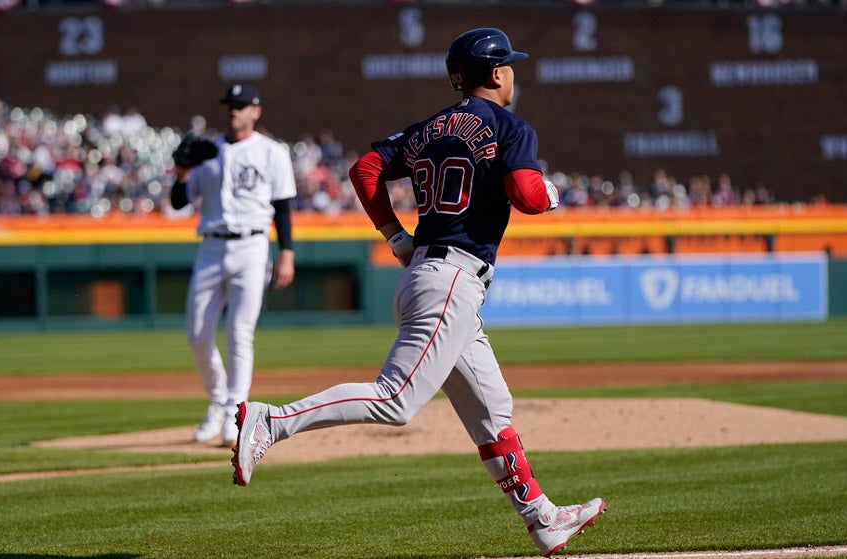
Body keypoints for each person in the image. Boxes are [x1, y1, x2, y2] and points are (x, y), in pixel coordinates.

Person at [230, 28, 605, 557]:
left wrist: (394, 234)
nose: (514, 73)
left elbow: (366, 169)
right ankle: (273, 420)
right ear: (497, 74)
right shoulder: (510, 126)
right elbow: (526, 195)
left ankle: (542, 519)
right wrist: (550, 193)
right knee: (396, 401)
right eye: (511, 66)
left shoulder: (430, 127)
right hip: (452, 282)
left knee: (494, 410)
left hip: (431, 277)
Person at [170, 82, 297, 447]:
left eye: (241, 105)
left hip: (253, 246)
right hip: (211, 246)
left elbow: (283, 207)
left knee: (240, 333)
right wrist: (180, 172)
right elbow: (180, 201)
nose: (234, 111)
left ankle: (234, 413)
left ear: (256, 111)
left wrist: (286, 251)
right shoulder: (208, 153)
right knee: (197, 333)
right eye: (230, 105)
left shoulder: (271, 151)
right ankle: (217, 402)